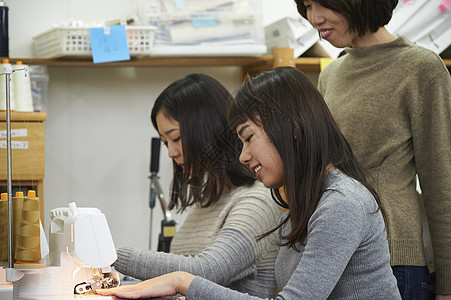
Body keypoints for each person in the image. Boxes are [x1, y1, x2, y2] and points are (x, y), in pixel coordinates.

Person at [98, 67, 401, 299]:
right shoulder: (304, 203)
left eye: (248, 138)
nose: (243, 155)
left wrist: (181, 281)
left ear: (291, 128)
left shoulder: (341, 203)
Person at [295, 0, 451, 299]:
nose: (313, 18)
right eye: (306, 6)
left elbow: (441, 183)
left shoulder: (422, 68)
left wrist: (448, 283)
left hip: (395, 263)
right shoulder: (332, 74)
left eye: (322, 4)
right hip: (333, 256)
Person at [112, 73, 282, 298]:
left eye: (177, 138)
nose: (171, 152)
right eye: (165, 143)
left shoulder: (257, 202)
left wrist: (111, 255)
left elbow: (206, 271)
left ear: (207, 129)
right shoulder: (208, 201)